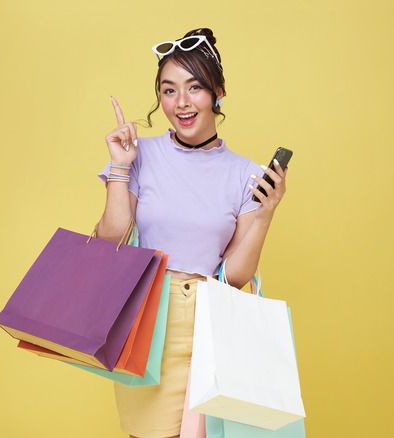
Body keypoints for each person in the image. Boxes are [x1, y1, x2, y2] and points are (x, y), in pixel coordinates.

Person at [96, 28, 289, 438]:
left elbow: (234, 277)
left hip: (211, 327)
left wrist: (266, 214)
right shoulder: (140, 155)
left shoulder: (245, 174)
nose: (181, 103)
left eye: (194, 87)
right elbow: (109, 241)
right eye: (169, 91)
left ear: (218, 92)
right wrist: (120, 166)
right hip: (147, 324)